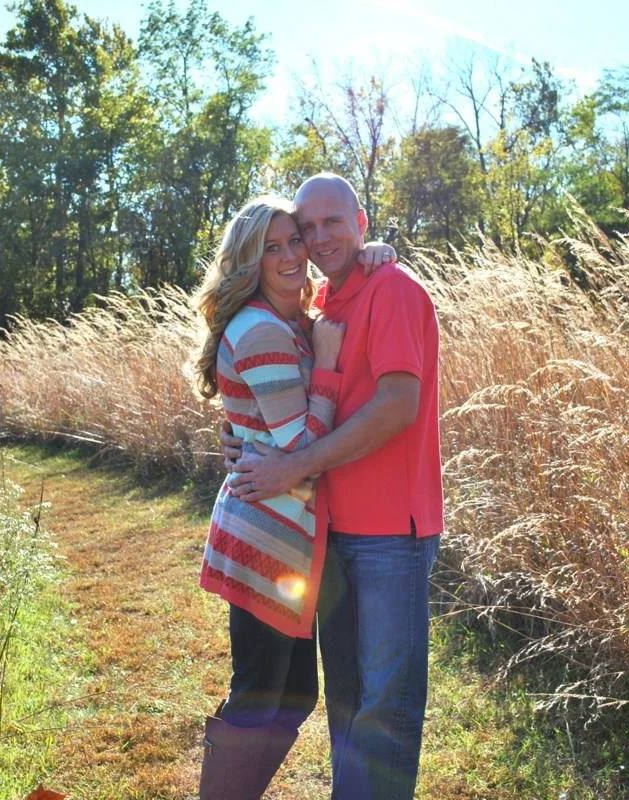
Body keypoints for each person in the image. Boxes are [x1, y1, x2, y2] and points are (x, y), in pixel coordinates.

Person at [223, 173, 444, 800]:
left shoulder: (394, 291)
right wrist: (242, 436)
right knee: (346, 703)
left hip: (389, 538)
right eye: (306, 228)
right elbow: (274, 383)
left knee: (384, 707)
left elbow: (399, 403)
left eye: (332, 224)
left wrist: (293, 465)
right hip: (331, 532)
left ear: (361, 223)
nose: (317, 240)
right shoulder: (325, 302)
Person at [187, 194, 396, 800]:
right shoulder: (260, 330)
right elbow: (301, 449)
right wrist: (328, 367)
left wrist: (372, 252)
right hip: (264, 537)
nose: (288, 256)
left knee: (293, 690)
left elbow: (271, 429)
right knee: (260, 691)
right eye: (269, 248)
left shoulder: (291, 322)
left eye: (293, 241)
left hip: (285, 541)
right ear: (246, 261)